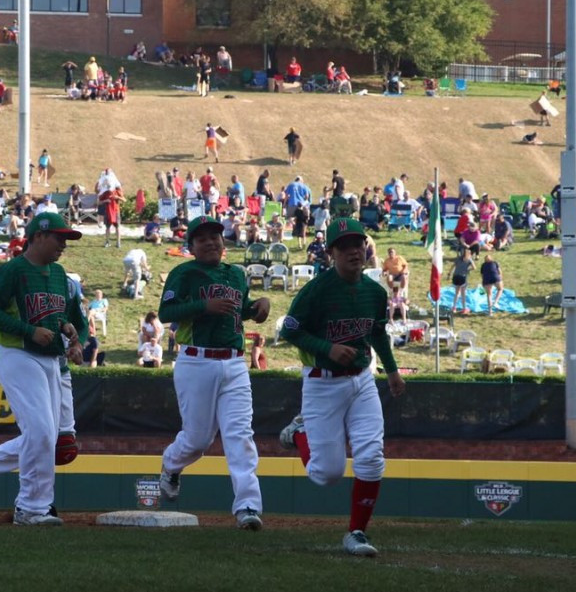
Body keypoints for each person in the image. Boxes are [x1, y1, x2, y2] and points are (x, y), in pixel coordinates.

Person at [277, 217, 406, 557]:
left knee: (372, 457)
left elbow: (377, 332)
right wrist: (327, 348)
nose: (354, 251)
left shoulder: (375, 291)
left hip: (363, 381)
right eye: (345, 246)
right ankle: (299, 432)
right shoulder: (316, 291)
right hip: (322, 384)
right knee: (326, 474)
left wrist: (391, 370)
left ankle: (357, 532)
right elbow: (289, 331)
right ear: (332, 252)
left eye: (358, 244)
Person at [0, 213, 86, 526]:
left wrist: (72, 337)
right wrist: (27, 330)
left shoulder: (59, 275)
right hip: (16, 353)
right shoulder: (13, 270)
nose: (63, 244)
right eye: (59, 237)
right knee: (42, 433)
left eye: (65, 239)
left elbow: (62, 319)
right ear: (38, 236)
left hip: (51, 358)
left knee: (48, 438)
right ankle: (32, 508)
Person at [157, 215, 271, 530]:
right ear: (191, 246)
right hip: (197, 360)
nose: (210, 242)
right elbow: (166, 312)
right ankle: (171, 464)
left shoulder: (236, 274)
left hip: (234, 363)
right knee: (197, 441)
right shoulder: (184, 273)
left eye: (215, 236)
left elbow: (240, 310)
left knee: (240, 435)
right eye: (202, 238)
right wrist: (201, 307)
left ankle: (247, 506)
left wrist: (259, 305)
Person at [450, 249, 475, 314]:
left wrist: (449, 273)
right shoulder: (469, 260)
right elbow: (474, 267)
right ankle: (464, 308)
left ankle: (454, 307)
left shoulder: (458, 259)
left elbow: (452, 266)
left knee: (456, 293)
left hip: (455, 276)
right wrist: (468, 270)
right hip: (462, 277)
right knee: (463, 294)